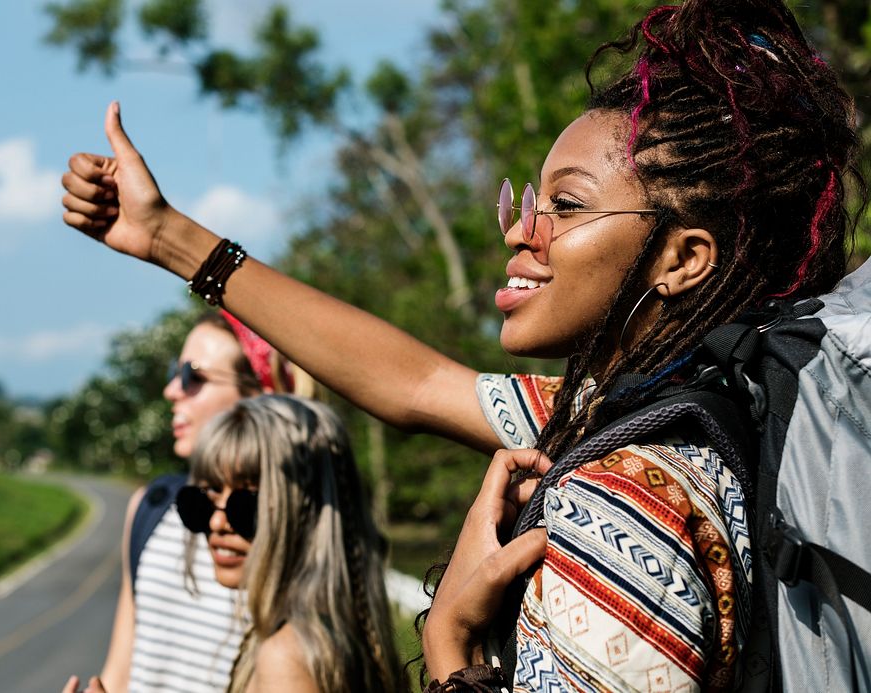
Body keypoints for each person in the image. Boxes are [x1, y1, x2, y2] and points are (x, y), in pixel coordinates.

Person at [59, 0, 866, 687]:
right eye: (530, 198)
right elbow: (412, 384)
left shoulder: (626, 499)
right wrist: (168, 237)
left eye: (568, 206)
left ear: (683, 259)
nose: (522, 230)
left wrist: (450, 645)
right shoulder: (657, 421)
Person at [65, 311, 310, 693]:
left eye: (193, 376)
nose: (172, 391)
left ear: (263, 394)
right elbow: (121, 671)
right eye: (174, 374)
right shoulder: (152, 506)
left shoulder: (301, 523)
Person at [177, 394, 403, 692]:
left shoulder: (286, 656)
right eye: (207, 497)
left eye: (247, 504)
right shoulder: (326, 637)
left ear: (306, 515)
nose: (217, 523)